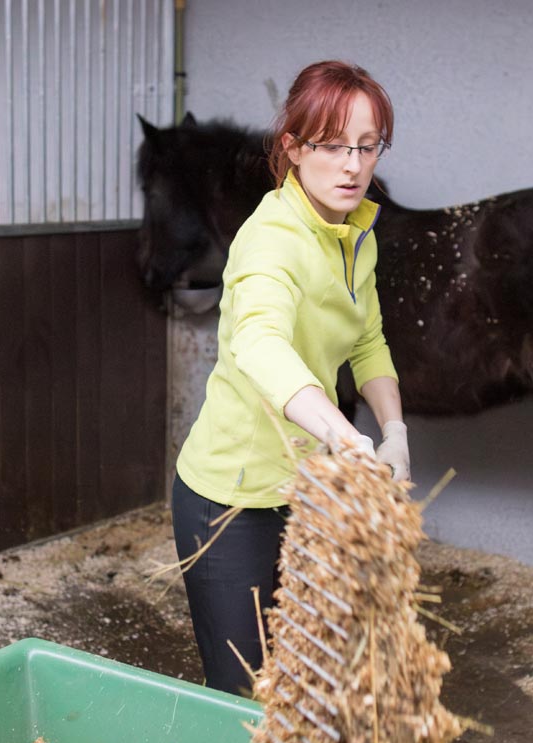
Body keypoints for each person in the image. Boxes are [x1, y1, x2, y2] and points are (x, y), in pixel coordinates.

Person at [171, 60, 410, 696]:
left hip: (302, 489)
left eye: (367, 146)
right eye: (332, 147)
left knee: (307, 677)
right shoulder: (272, 238)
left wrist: (393, 430)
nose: (353, 165)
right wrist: (341, 433)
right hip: (230, 501)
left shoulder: (357, 232)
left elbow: (368, 340)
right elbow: (259, 342)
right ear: (294, 148)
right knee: (248, 693)